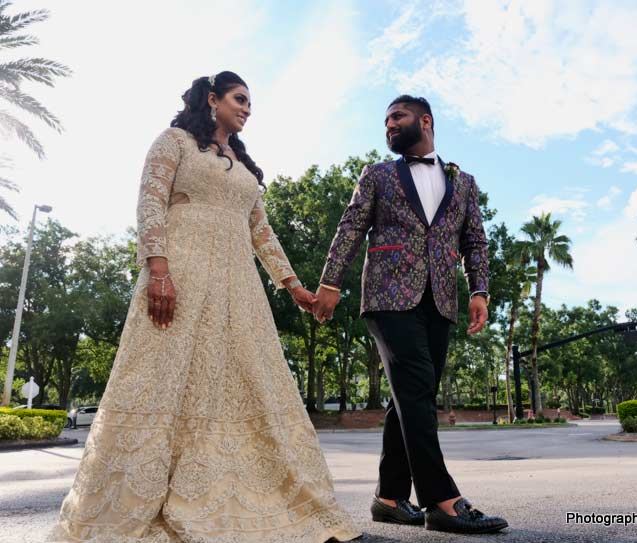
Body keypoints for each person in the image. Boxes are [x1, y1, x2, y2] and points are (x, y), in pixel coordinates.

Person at [53, 71, 359, 543]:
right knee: (162, 378)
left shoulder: (243, 167)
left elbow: (262, 233)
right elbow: (150, 204)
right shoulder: (173, 142)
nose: (248, 109)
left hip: (238, 286)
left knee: (241, 380)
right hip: (182, 275)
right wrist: (158, 270)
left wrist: (294, 287)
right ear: (212, 99)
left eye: (251, 103)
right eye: (240, 99)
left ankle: (242, 495)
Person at [313, 95, 508, 534]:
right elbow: (350, 227)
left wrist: (480, 290)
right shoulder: (377, 175)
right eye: (384, 121)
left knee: (410, 398)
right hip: (387, 296)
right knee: (418, 390)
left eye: (396, 117)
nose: (389, 126)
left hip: (439, 300)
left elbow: (475, 241)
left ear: (425, 120)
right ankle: (442, 500)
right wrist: (330, 282)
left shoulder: (464, 182)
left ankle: (388, 497)